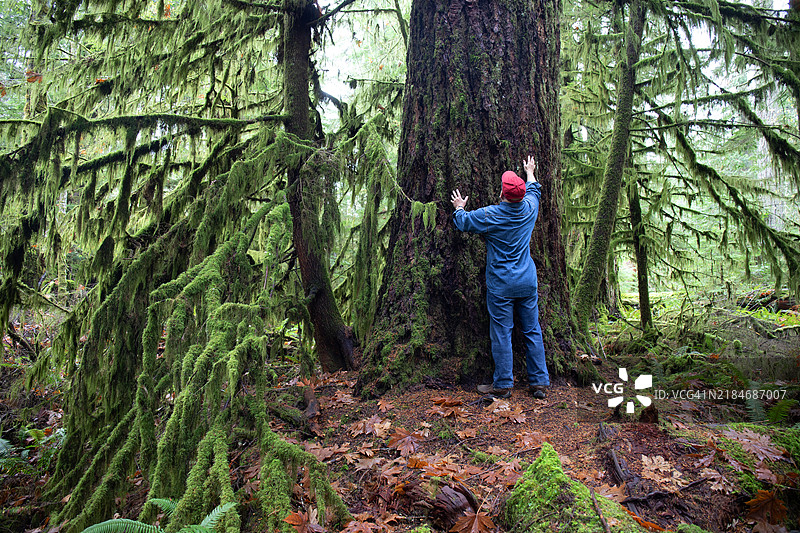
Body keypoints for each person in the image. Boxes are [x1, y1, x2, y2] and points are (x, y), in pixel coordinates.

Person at [450, 155, 549, 399]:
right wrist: (530, 172)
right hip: (527, 282)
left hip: (501, 285)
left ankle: (503, 383)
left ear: (502, 193)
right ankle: (539, 382)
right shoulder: (529, 209)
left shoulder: (490, 215)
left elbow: (463, 223)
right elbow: (535, 190)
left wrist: (460, 207)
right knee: (532, 330)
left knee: (502, 332)